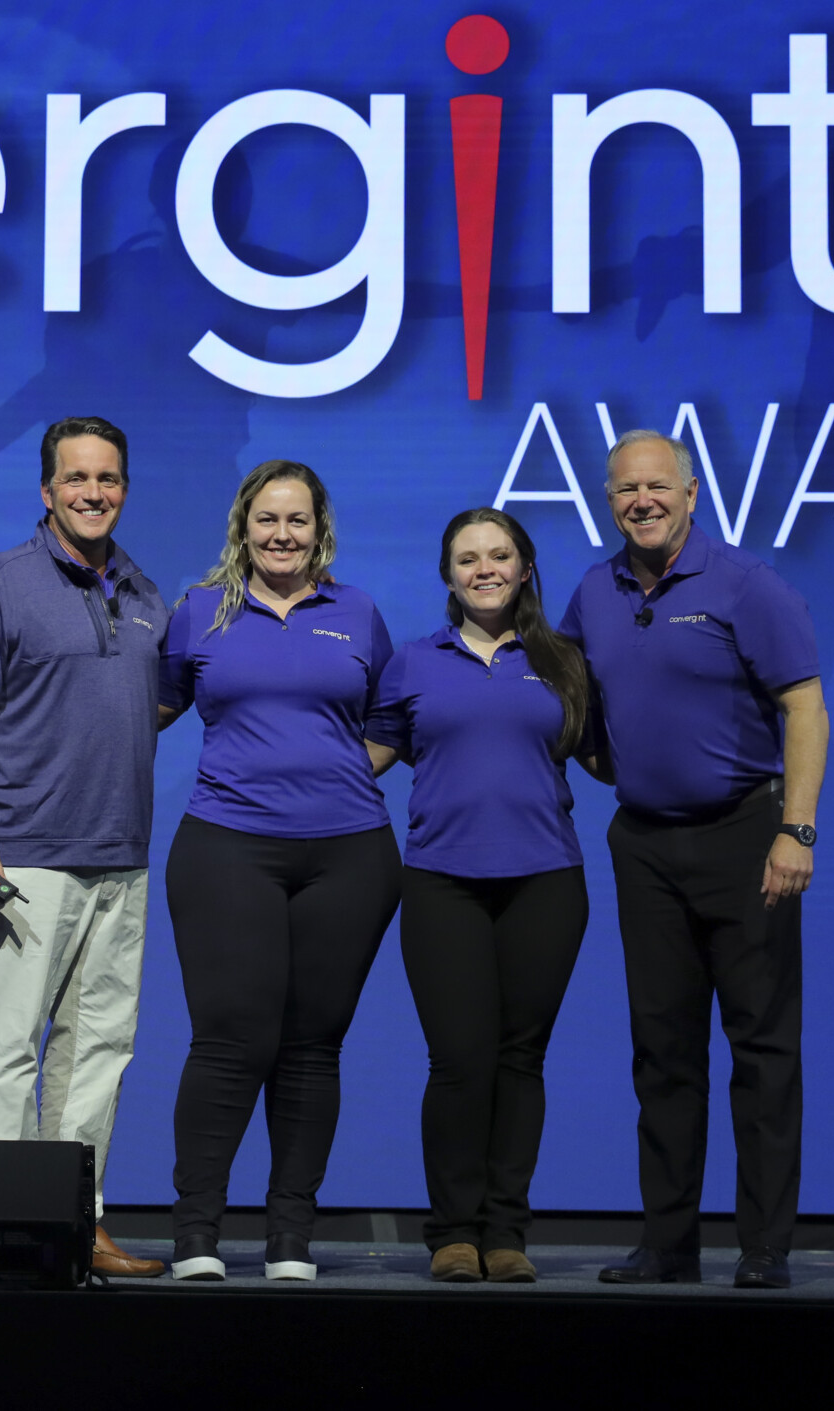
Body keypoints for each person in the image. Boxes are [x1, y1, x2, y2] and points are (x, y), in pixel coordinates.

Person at [561, 430, 825, 1291]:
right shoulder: (594, 590)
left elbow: (805, 707)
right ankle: (668, 1244)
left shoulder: (748, 584)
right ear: (609, 501)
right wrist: (610, 761)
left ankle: (765, 1247)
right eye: (625, 490)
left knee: (762, 1047)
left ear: (691, 492)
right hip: (644, 845)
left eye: (657, 486)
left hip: (746, 838)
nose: (641, 501)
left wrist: (797, 829)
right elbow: (568, 694)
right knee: (662, 1052)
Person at [0, 416, 172, 1280]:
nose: (92, 492)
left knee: (97, 1052)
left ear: (124, 489)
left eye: (107, 478)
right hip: (22, 856)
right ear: (46, 490)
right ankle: (4, 1230)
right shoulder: (1, 581)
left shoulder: (145, 593)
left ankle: (76, 1225)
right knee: (4, 1049)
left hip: (122, 857)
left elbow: (148, 700)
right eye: (76, 478)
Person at [154, 459, 400, 1283]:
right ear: (243, 525)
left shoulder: (357, 612)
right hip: (227, 846)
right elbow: (149, 707)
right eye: (267, 518)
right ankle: (196, 1232)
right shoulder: (200, 611)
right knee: (230, 1041)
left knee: (311, 1047)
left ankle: (290, 1236)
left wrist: (332, 775)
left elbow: (390, 719)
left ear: (319, 528)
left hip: (350, 854)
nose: (282, 533)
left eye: (297, 519)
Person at [364, 507, 597, 1285]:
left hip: (546, 882)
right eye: (468, 558)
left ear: (525, 568)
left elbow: (610, 753)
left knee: (520, 1060)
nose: (484, 569)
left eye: (499, 555)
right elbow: (366, 757)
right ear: (448, 573)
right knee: (459, 1061)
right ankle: (453, 1233)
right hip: (442, 882)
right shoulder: (411, 663)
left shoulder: (564, 660)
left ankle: (506, 1231)